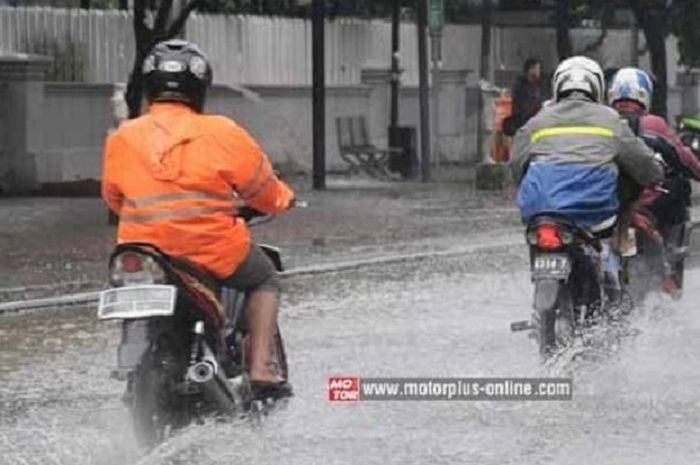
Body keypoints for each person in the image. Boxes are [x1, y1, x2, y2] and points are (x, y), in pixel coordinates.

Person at [101, 39, 295, 390]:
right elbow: (264, 192)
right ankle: (261, 369)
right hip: (210, 253)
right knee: (264, 279)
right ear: (199, 87)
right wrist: (284, 199)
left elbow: (114, 199)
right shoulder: (222, 132)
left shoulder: (123, 137)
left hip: (143, 253)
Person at [511, 56, 662, 233]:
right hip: (594, 209)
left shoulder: (537, 121)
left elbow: (516, 163)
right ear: (597, 87)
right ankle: (622, 237)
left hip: (538, 208)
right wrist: (657, 173)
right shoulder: (611, 120)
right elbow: (642, 162)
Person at [608, 67, 700, 294]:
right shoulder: (654, 124)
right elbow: (684, 159)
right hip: (647, 207)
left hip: (605, 205)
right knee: (679, 189)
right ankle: (670, 276)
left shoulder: (600, 121)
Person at [503, 58, 545, 136]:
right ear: (531, 70)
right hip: (525, 125)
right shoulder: (521, 87)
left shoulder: (538, 86)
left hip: (536, 124)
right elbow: (522, 108)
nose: (539, 72)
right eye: (537, 69)